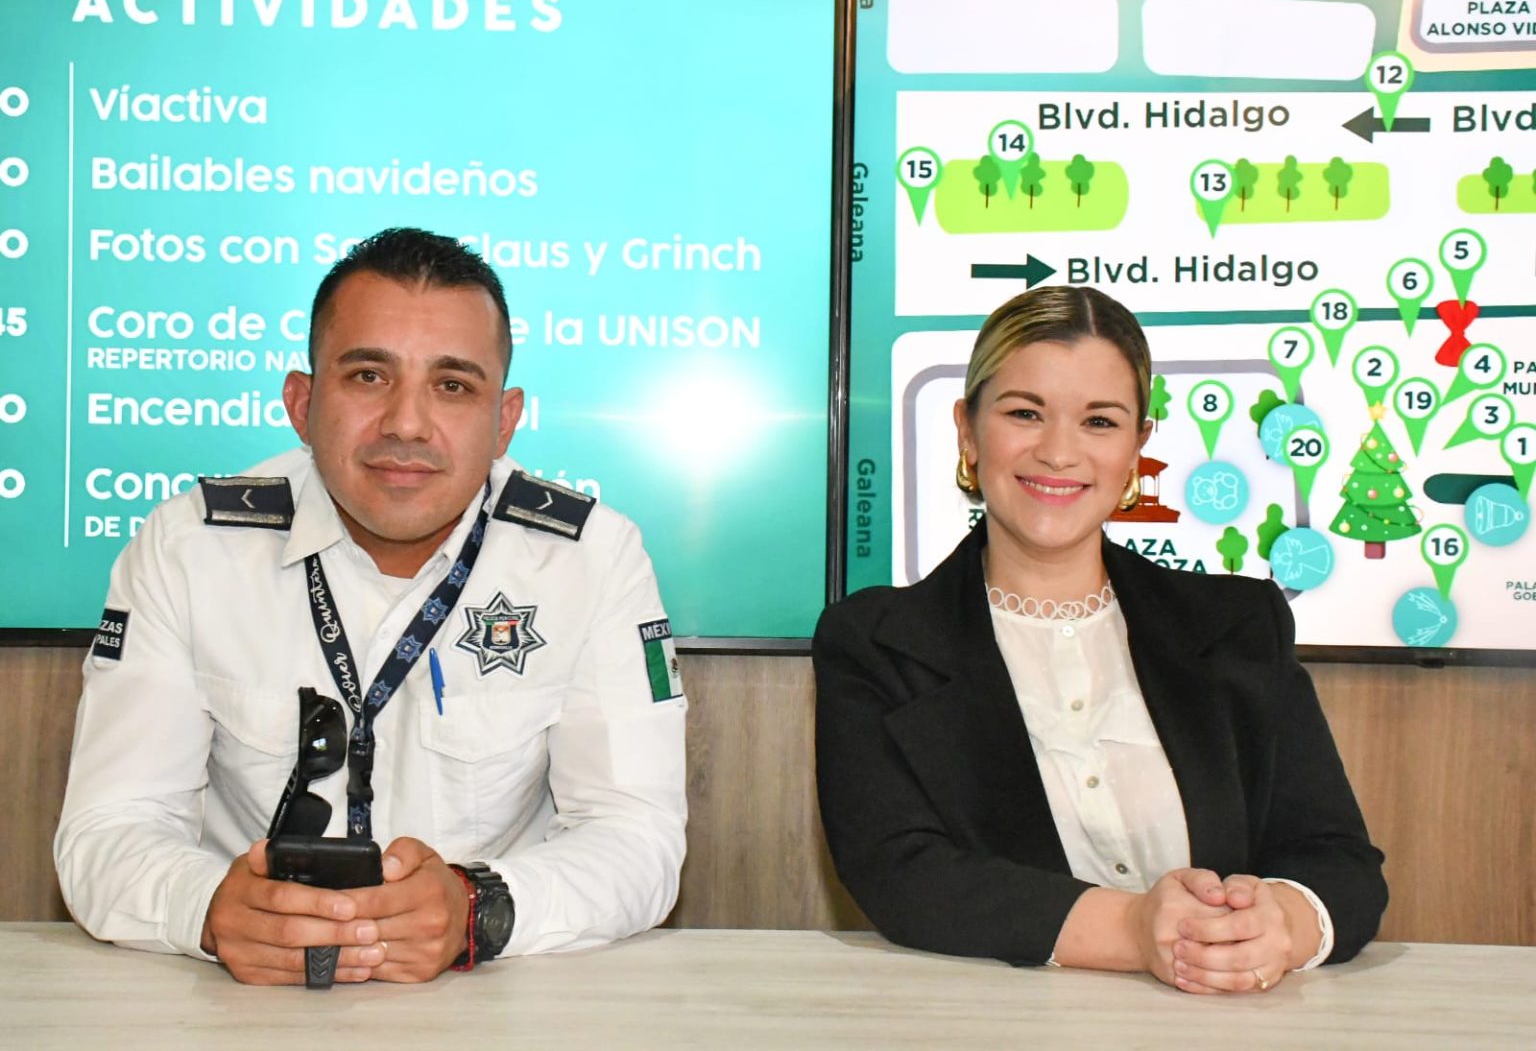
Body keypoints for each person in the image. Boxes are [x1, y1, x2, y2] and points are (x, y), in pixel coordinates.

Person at [56, 227, 688, 985]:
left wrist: (479, 908)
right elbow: (108, 828)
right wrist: (208, 909)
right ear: (302, 402)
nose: (406, 424)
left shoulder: (593, 559)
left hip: (493, 1002)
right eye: (368, 376)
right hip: (239, 1005)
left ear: (505, 420)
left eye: (453, 385)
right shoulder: (188, 548)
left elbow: (637, 837)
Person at [814, 286, 1386, 993]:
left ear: (1137, 447)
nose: (1059, 452)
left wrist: (1280, 924)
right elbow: (900, 874)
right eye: (1025, 413)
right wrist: (1135, 928)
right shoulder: (875, 644)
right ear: (967, 431)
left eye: (1099, 421)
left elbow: (1339, 861)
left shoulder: (1238, 623)